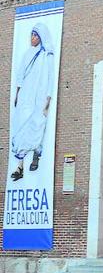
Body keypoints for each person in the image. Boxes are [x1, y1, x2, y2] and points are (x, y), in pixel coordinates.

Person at [10, 23, 54, 181]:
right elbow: (20, 75)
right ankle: (20, 165)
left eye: (35, 35)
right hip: (26, 97)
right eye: (31, 35)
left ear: (41, 37)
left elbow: (50, 77)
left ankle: (36, 154)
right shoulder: (27, 54)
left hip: (39, 96)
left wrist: (48, 97)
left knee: (37, 125)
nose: (32, 38)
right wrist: (17, 93)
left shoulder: (47, 55)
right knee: (22, 126)